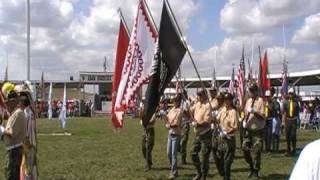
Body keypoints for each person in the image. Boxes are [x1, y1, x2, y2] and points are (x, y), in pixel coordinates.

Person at [0, 84, 26, 180]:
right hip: (13, 150)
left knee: (11, 176)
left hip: (14, 152)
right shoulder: (15, 113)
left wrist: (2, 130)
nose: (6, 105)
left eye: (8, 103)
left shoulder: (17, 113)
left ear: (13, 102)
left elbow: (12, 133)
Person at [242, 82, 265, 178]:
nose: (250, 92)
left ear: (256, 91)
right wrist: (243, 119)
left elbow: (263, 116)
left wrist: (255, 112)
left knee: (256, 151)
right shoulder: (248, 101)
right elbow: (245, 112)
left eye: (252, 90)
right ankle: (251, 165)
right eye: (249, 91)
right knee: (244, 148)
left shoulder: (260, 101)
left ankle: (256, 170)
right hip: (248, 130)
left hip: (257, 131)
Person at [16, 82, 38, 180]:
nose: (18, 103)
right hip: (31, 144)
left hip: (27, 144)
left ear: (23, 101)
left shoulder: (26, 113)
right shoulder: (30, 112)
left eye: (19, 101)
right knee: (30, 166)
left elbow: (24, 131)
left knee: (26, 168)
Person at [190, 90, 212, 180]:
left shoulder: (208, 106)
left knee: (204, 157)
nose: (199, 96)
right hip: (197, 134)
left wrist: (198, 124)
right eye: (198, 95)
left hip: (205, 134)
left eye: (200, 95)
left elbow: (207, 122)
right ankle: (199, 172)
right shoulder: (197, 104)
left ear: (205, 95)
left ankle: (204, 176)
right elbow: (189, 113)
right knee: (193, 153)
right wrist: (187, 107)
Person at [215, 92, 239, 180]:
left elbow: (235, 127)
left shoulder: (233, 112)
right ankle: (224, 175)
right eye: (224, 100)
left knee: (227, 162)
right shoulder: (222, 110)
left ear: (231, 101)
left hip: (229, 139)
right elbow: (217, 121)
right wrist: (214, 119)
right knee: (219, 158)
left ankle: (227, 177)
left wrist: (226, 132)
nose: (226, 102)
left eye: (228, 100)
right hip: (221, 139)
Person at [165, 95, 183, 179]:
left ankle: (174, 172)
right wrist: (165, 117)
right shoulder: (171, 110)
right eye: (173, 101)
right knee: (168, 153)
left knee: (173, 154)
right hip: (170, 134)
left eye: (175, 101)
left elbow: (177, 124)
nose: (174, 102)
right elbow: (167, 118)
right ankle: (173, 168)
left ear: (179, 102)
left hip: (176, 134)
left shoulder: (179, 111)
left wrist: (170, 125)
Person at [139, 101, 157, 172]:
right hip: (145, 130)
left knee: (148, 148)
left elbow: (152, 121)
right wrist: (141, 110)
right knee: (143, 148)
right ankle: (149, 162)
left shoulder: (152, 112)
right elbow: (140, 118)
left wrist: (145, 121)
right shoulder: (143, 111)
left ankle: (148, 165)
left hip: (150, 131)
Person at [282, 88, 300, 156]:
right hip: (288, 120)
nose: (290, 95)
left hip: (294, 120)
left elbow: (298, 111)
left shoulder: (296, 102)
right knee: (288, 136)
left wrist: (298, 120)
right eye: (289, 93)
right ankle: (288, 149)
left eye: (292, 93)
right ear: (288, 94)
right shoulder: (285, 102)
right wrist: (283, 122)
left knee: (293, 135)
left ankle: (294, 149)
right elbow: (284, 112)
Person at [179, 90, 191, 165]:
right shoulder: (180, 103)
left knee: (183, 142)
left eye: (182, 94)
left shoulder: (187, 103)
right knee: (178, 143)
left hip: (185, 124)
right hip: (179, 125)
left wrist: (184, 111)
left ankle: (183, 159)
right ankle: (182, 154)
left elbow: (190, 114)